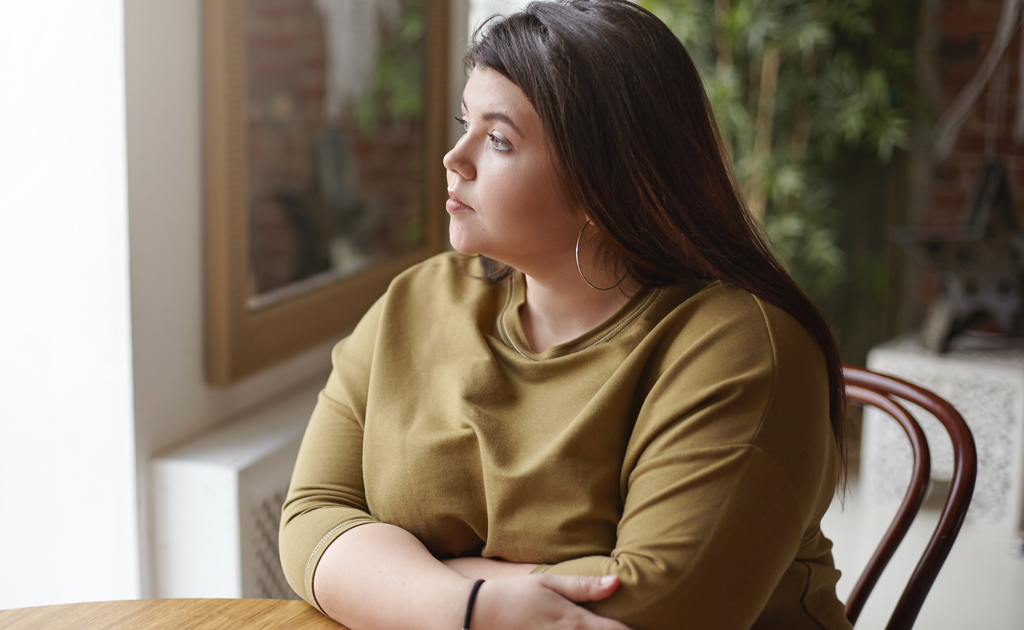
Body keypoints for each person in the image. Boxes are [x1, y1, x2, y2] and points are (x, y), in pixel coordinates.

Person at [279, 1, 853, 629]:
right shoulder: (417, 301)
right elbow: (312, 515)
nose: (455, 157)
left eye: (498, 140)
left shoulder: (742, 348)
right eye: (463, 122)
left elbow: (651, 614)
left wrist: (398, 579)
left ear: (607, 182)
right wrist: (468, 608)